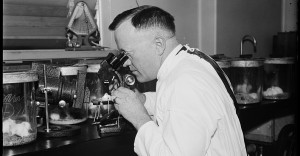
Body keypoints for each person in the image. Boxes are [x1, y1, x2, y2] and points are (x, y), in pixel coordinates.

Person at [109, 5, 247, 156]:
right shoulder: (193, 61)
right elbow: (176, 106)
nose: (126, 63)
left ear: (159, 45)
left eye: (127, 54)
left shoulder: (184, 82)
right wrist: (142, 101)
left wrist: (139, 118)